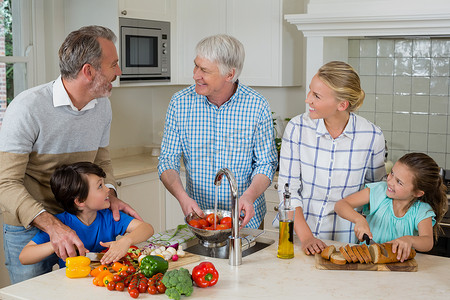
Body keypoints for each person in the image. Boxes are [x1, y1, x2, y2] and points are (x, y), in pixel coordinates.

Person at [0, 25, 140, 283]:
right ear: (88, 71)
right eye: (114, 64)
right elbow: (5, 182)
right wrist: (52, 226)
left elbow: (101, 161)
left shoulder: (102, 106)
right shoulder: (27, 108)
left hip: (82, 221)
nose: (119, 72)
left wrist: (110, 193)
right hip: (31, 228)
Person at [158, 34, 278, 229]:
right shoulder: (180, 103)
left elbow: (266, 163)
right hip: (200, 219)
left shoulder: (257, 105)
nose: (196, 75)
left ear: (229, 75)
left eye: (204, 70)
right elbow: (167, 160)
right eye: (196, 65)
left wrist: (248, 196)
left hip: (246, 220)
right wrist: (182, 198)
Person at [277, 61, 386, 255]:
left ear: (342, 105)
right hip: (299, 239)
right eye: (310, 91)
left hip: (347, 244)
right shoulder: (297, 128)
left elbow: (375, 193)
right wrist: (307, 237)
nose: (308, 100)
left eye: (316, 96)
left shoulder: (372, 136)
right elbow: (288, 190)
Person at [19, 162, 154, 267]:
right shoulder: (61, 225)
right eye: (100, 186)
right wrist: (55, 244)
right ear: (80, 201)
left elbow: (147, 228)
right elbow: (24, 257)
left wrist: (126, 241)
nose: (108, 190)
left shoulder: (110, 217)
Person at [335, 153, 448, 262]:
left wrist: (410, 240)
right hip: (366, 261)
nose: (390, 181)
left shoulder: (422, 210)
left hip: (399, 267)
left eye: (399, 182)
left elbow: (427, 242)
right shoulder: (379, 191)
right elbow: (341, 205)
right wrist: (359, 219)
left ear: (417, 193)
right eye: (392, 173)